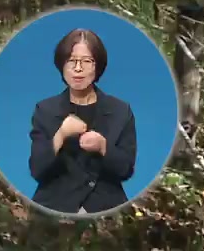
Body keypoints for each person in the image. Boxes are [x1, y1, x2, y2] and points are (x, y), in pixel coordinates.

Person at [29, 28, 136, 215]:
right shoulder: (45, 110)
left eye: (87, 61)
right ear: (62, 65)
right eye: (71, 61)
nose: (78, 68)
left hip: (107, 208)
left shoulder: (120, 110)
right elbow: (37, 170)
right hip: (55, 206)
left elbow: (126, 169)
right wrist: (60, 135)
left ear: (98, 66)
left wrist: (103, 147)